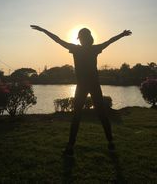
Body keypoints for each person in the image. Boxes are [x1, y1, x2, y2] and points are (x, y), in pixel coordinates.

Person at [30, 25, 132, 156]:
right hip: (93, 85)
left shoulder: (76, 49)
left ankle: (71, 147)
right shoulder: (93, 49)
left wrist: (43, 30)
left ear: (82, 39)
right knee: (100, 115)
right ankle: (109, 143)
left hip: (83, 86)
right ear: (89, 38)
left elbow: (58, 40)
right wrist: (121, 34)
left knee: (78, 116)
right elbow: (110, 41)